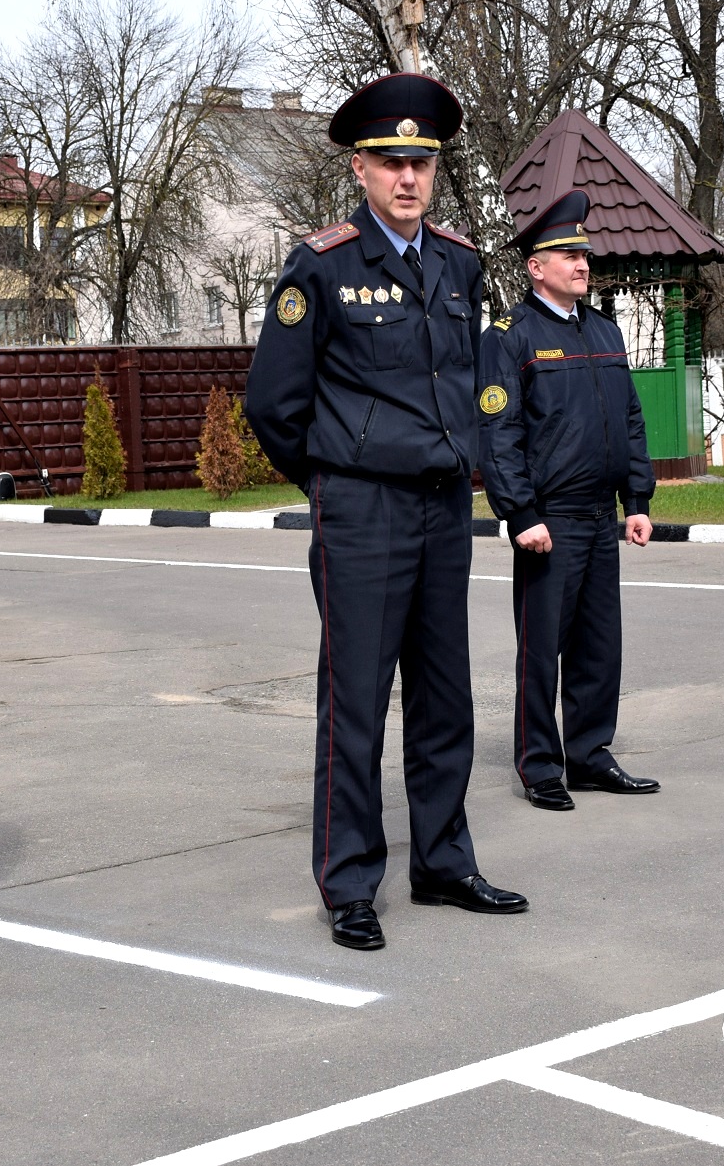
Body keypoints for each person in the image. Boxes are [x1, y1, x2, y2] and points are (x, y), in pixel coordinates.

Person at [246, 73, 528, 952]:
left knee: (447, 698)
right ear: (359, 168)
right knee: (357, 701)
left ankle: (443, 861)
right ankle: (350, 881)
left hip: (445, 506)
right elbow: (273, 405)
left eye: (422, 162)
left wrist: (470, 460)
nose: (408, 177)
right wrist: (333, 478)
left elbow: (464, 382)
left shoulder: (459, 263)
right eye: (389, 161)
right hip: (361, 510)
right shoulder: (323, 265)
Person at [475, 189, 660, 813]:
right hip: (548, 521)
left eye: (584, 254)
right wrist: (520, 514)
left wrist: (636, 499)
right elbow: (499, 434)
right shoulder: (509, 337)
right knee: (543, 647)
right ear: (536, 267)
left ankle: (589, 755)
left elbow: (630, 421)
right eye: (566, 255)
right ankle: (539, 765)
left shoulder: (605, 332)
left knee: (598, 645)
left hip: (599, 516)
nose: (582, 264)